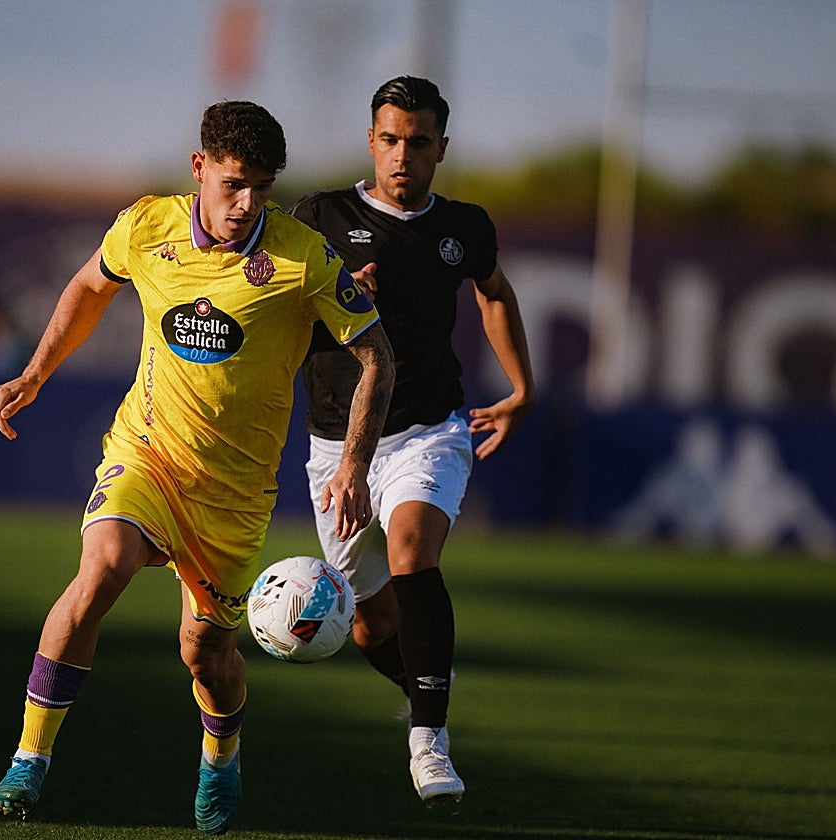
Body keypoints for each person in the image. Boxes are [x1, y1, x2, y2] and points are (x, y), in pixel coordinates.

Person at [0, 100, 394, 835]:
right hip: (147, 452)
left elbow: (377, 356)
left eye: (263, 188)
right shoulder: (146, 226)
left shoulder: (302, 258)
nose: (246, 204)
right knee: (102, 567)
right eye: (234, 183)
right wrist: (37, 371)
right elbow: (88, 286)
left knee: (204, 652)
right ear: (199, 168)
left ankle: (220, 757)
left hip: (235, 496)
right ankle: (30, 756)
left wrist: (355, 464)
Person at [291, 76, 534, 806]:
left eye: (418, 142)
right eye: (390, 139)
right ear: (372, 141)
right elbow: (275, 318)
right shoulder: (319, 215)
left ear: (441, 149)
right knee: (369, 629)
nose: (403, 155)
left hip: (430, 428)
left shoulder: (463, 227)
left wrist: (522, 389)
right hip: (337, 443)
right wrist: (332, 301)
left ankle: (428, 742)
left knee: (411, 551)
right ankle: (428, 676)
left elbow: (494, 291)